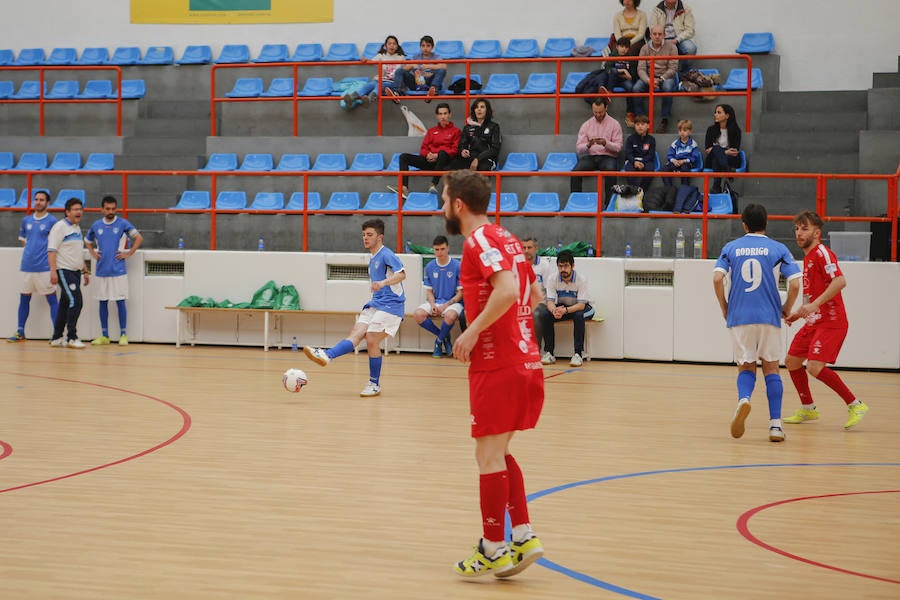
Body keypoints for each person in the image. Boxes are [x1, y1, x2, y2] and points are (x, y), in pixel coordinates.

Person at [441, 169, 545, 579]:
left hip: (497, 363)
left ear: (459, 204)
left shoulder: (479, 241)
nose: (441, 207)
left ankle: (492, 548)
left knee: (486, 457)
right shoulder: (508, 238)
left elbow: (505, 291)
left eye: (444, 199)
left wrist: (471, 331)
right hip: (524, 361)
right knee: (499, 453)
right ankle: (522, 536)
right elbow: (534, 296)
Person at [713, 203, 801, 442]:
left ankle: (743, 400)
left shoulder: (730, 247)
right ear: (766, 223)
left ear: (744, 224)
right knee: (771, 368)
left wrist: (724, 307)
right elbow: (794, 284)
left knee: (746, 367)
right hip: (768, 316)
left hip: (739, 316)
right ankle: (775, 426)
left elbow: (717, 279)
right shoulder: (778, 248)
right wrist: (787, 308)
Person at [783, 211, 869, 429]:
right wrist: (800, 313)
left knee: (813, 367)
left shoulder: (822, 253)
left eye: (805, 228)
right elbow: (812, 296)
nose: (799, 233)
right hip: (814, 321)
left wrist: (813, 305)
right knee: (792, 361)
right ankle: (808, 408)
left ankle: (855, 404)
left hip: (832, 322)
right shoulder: (809, 257)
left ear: (817, 232)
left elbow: (839, 281)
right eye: (797, 228)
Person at [303, 219, 406, 397]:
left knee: (371, 338)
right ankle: (327, 355)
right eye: (364, 235)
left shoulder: (386, 254)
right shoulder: (372, 258)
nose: (365, 238)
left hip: (392, 305)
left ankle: (374, 384)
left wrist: (382, 283)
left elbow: (402, 275)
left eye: (370, 235)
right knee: (356, 334)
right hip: (376, 303)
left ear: (380, 237)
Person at [85, 195, 143, 346]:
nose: (111, 211)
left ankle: (123, 334)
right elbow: (87, 241)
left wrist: (128, 253)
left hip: (118, 270)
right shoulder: (96, 225)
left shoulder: (123, 223)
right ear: (102, 209)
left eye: (113, 208)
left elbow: (139, 238)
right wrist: (92, 253)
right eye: (107, 209)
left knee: (120, 301)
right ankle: (105, 335)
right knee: (102, 302)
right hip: (101, 270)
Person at [7, 190, 59, 342]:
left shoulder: (52, 221)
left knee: (52, 299)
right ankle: (20, 332)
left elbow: (55, 245)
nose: (38, 202)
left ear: (48, 203)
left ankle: (57, 334)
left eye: (42, 200)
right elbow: (24, 241)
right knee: (24, 298)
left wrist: (52, 266)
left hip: (44, 267)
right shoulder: (26, 220)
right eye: (36, 199)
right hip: (27, 267)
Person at [387, 102, 460, 198]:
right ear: (437, 116)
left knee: (442, 153)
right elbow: (423, 149)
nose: (443, 117)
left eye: (445, 113)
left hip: (444, 163)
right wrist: (428, 155)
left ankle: (433, 184)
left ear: (450, 115)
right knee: (404, 157)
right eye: (440, 114)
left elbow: (455, 150)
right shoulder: (431, 131)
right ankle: (404, 188)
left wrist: (437, 155)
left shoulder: (456, 131)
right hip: (430, 161)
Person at [47, 197, 90, 349]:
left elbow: (77, 251)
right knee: (76, 301)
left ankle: (56, 337)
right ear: (67, 212)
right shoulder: (59, 227)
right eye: (76, 209)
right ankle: (71, 337)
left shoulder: (77, 228)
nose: (79, 212)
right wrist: (53, 271)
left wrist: (85, 270)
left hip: (76, 272)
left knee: (65, 303)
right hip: (64, 271)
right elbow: (51, 250)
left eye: (81, 209)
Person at [539, 251, 593, 368]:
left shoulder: (581, 279)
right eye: (560, 266)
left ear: (572, 266)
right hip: (565, 308)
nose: (563, 269)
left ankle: (578, 354)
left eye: (566, 266)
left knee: (579, 315)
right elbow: (550, 302)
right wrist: (554, 311)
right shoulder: (553, 279)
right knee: (545, 314)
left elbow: (581, 306)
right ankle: (549, 353)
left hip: (583, 308)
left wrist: (565, 311)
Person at [414, 235, 463, 358]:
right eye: (436, 249)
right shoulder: (430, 266)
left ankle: (438, 341)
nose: (439, 252)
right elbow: (429, 292)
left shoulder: (457, 266)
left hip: (453, 303)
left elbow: (461, 293)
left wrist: (445, 305)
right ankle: (444, 336)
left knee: (450, 316)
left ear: (448, 248)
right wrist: (432, 305)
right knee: (418, 314)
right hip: (436, 301)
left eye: (442, 249)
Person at [570, 97, 623, 204]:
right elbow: (579, 149)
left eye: (601, 112)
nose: (598, 114)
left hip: (608, 156)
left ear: (606, 108)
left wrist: (605, 143)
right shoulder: (586, 125)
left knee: (611, 171)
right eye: (595, 112)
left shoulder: (615, 124)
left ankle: (609, 204)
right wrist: (588, 145)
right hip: (591, 156)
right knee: (575, 173)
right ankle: (577, 203)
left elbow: (618, 148)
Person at [634, 24, 678, 133]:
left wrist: (661, 78)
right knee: (636, 89)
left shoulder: (672, 47)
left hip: (665, 77)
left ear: (664, 35)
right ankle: (642, 120)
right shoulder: (644, 48)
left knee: (668, 88)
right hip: (649, 77)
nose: (657, 36)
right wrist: (649, 81)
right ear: (650, 35)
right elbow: (641, 69)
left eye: (660, 34)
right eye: (655, 34)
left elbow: (673, 68)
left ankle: (664, 120)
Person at [522, 237, 558, 359]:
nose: (526, 250)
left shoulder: (544, 265)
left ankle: (536, 352)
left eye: (529, 247)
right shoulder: (518, 264)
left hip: (542, 302)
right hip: (523, 303)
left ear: (536, 249)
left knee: (536, 314)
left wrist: (551, 305)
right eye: (524, 248)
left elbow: (550, 289)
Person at [450, 98, 502, 173]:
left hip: (487, 159)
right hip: (470, 157)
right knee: (454, 167)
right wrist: (462, 151)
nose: (479, 109)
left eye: (482, 107)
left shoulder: (494, 126)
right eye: (476, 107)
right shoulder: (468, 127)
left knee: (482, 167)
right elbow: (462, 144)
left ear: (487, 110)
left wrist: (478, 159)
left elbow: (495, 149)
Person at [704, 104, 743, 193]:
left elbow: (734, 151)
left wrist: (721, 152)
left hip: (730, 159)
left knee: (716, 157)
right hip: (712, 158)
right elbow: (708, 150)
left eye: (719, 112)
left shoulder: (736, 131)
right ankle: (727, 171)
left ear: (727, 115)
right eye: (715, 112)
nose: (715, 114)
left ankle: (716, 186)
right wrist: (725, 151)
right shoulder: (711, 130)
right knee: (716, 150)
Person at [650, 0, 696, 73]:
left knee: (691, 48)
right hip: (662, 37)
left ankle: (683, 75)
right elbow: (653, 28)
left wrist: (677, 39)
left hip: (679, 37)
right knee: (649, 48)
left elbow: (690, 29)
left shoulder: (686, 8)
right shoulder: (657, 9)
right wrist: (661, 40)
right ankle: (655, 77)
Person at [398, 35, 447, 101]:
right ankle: (397, 92)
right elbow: (404, 69)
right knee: (400, 71)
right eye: (423, 46)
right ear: (420, 47)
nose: (425, 48)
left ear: (432, 47)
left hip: (429, 82)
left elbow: (444, 66)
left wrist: (428, 66)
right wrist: (412, 65)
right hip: (417, 83)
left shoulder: (436, 56)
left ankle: (433, 91)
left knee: (441, 70)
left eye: (428, 45)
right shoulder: (416, 56)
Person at [361, 35, 406, 104]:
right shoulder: (381, 55)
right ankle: (352, 97)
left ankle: (370, 99)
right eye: (389, 43)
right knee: (367, 86)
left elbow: (403, 71)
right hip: (378, 80)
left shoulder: (401, 57)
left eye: (394, 44)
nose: (392, 45)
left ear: (397, 46)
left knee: (380, 86)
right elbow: (372, 62)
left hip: (390, 82)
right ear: (385, 46)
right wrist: (365, 60)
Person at [663, 118, 702, 187]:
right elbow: (669, 155)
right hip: (676, 162)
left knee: (685, 169)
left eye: (684, 130)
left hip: (686, 163)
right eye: (680, 130)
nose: (682, 132)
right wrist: (674, 161)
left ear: (690, 132)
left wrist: (684, 161)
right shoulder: (675, 143)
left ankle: (684, 188)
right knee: (665, 169)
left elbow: (694, 157)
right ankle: (669, 188)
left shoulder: (693, 144)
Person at [623, 114, 657, 190]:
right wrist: (634, 161)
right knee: (629, 171)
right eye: (637, 124)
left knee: (650, 169)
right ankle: (633, 190)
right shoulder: (630, 139)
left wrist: (643, 162)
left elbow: (651, 154)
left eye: (642, 124)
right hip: (632, 161)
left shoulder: (651, 139)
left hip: (646, 161)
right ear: (634, 126)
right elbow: (628, 153)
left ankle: (642, 190)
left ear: (648, 126)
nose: (640, 126)